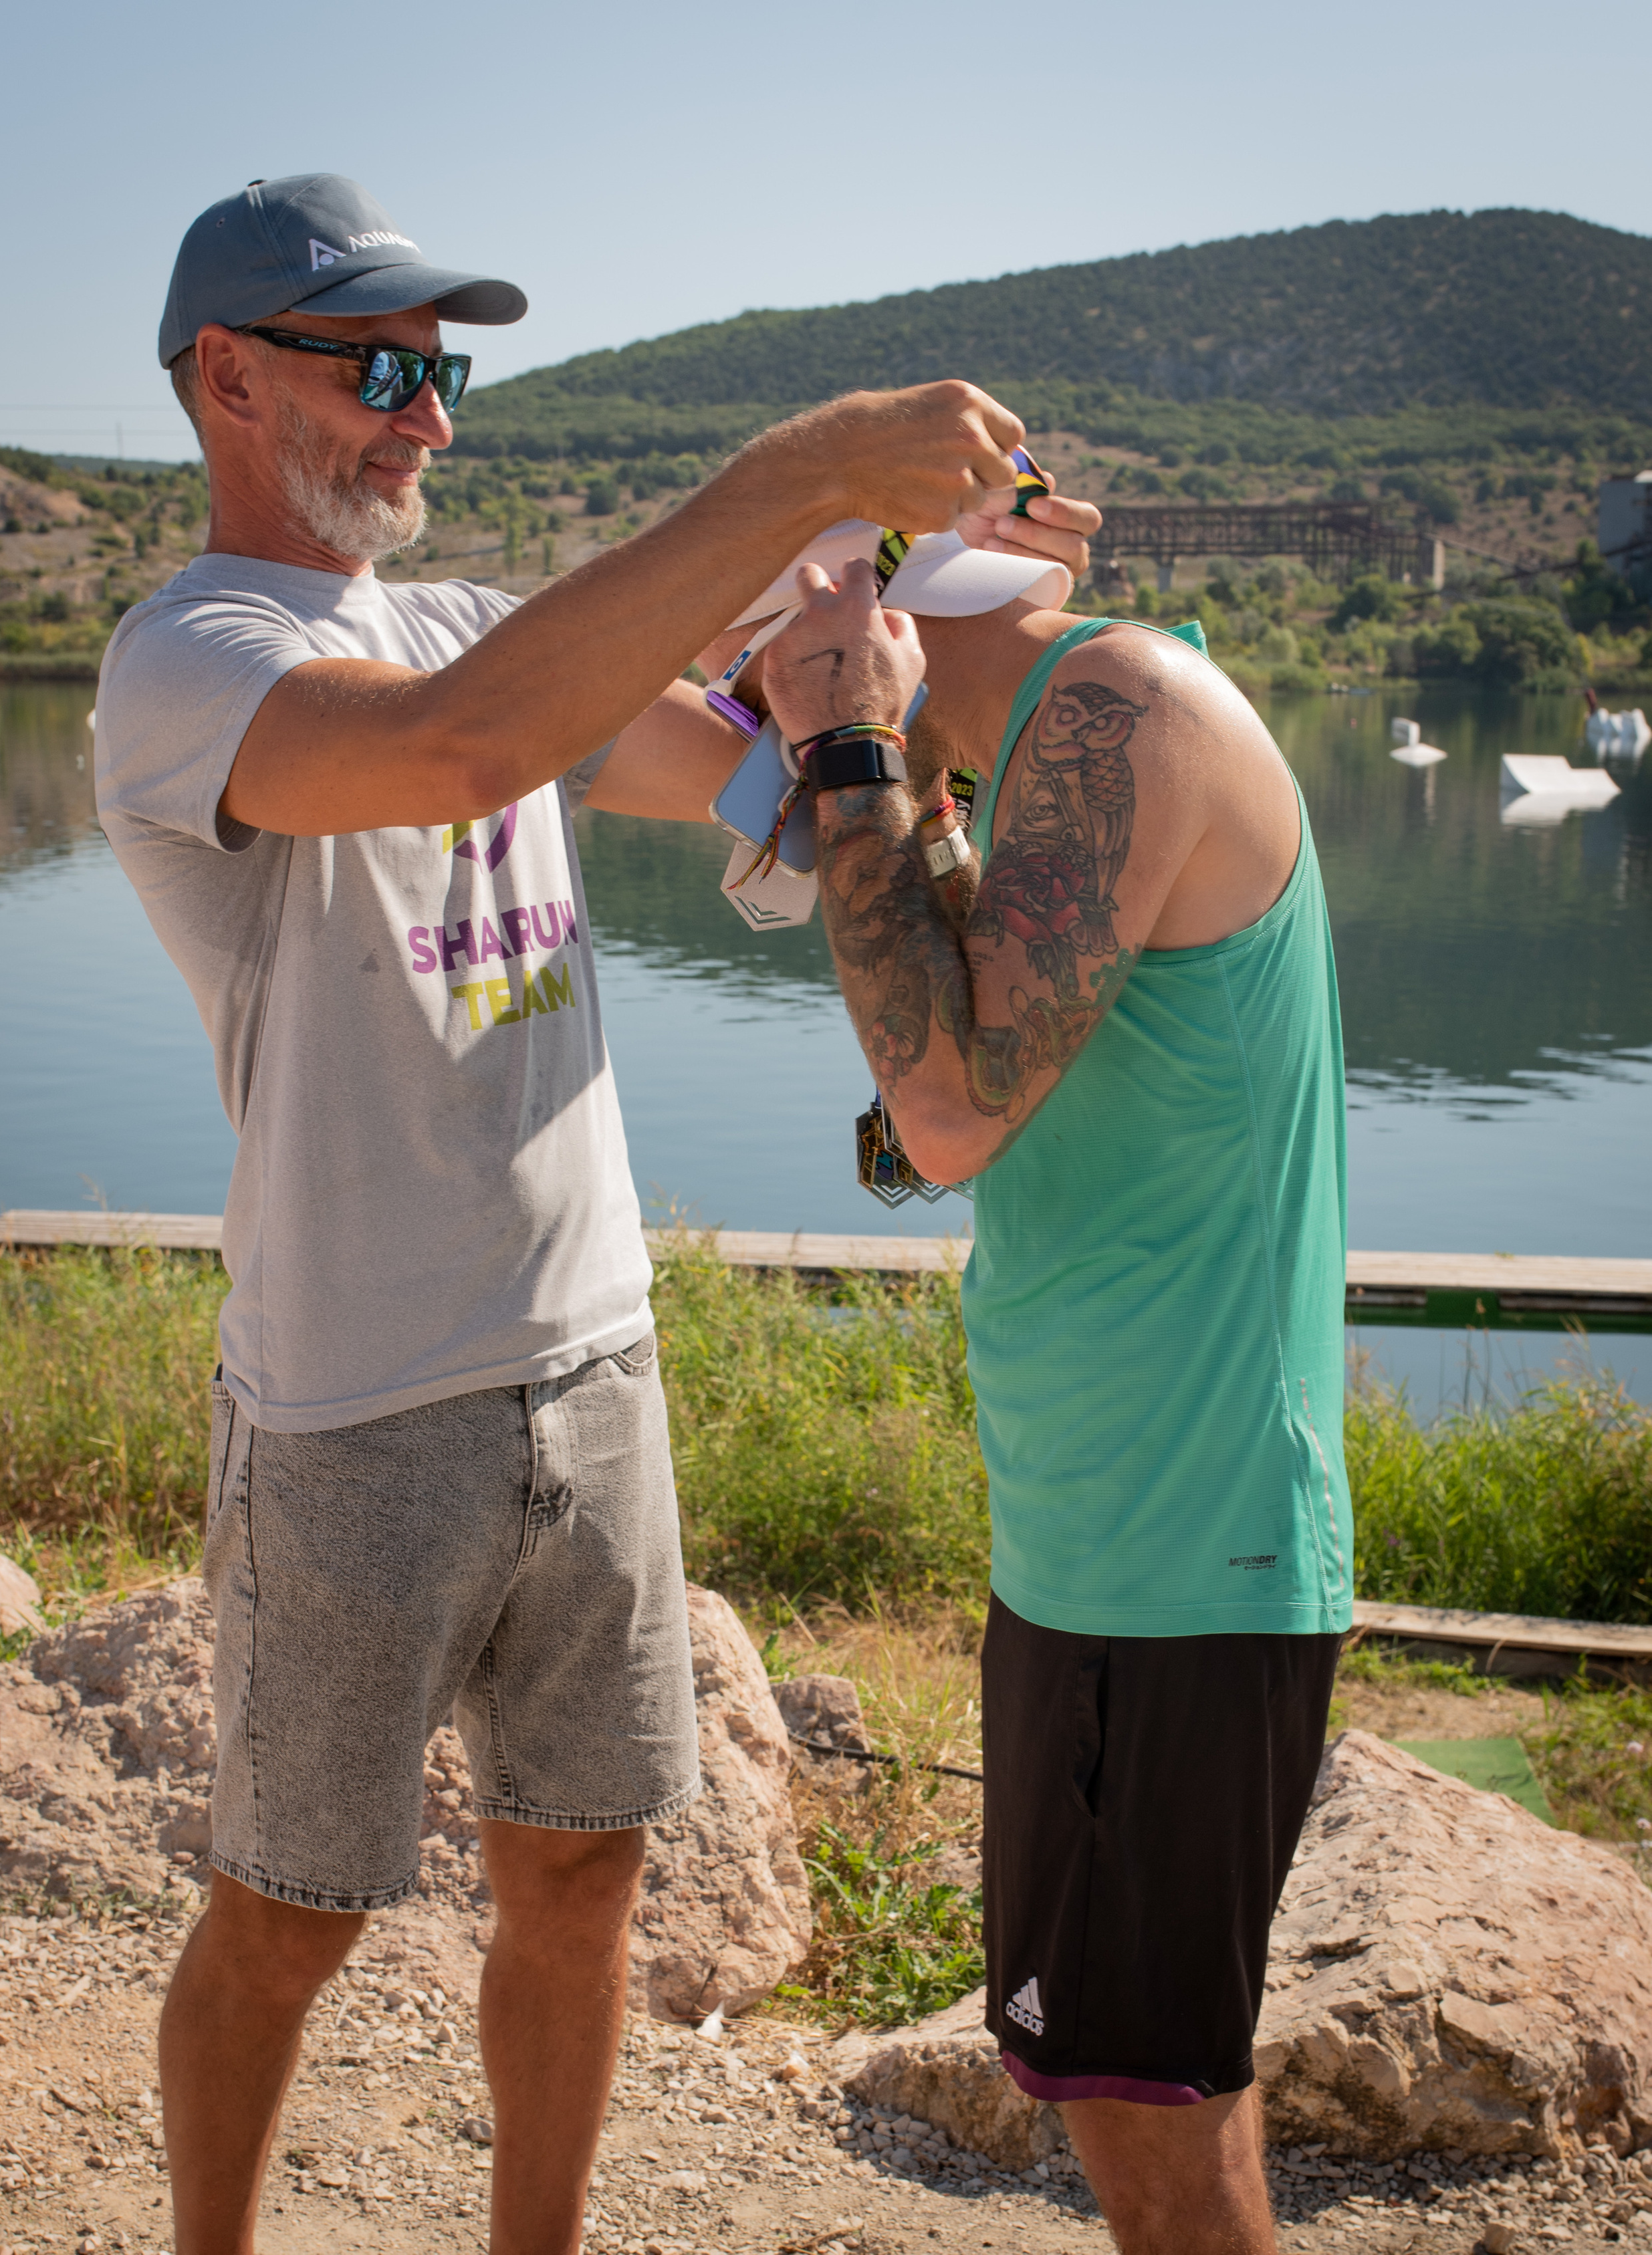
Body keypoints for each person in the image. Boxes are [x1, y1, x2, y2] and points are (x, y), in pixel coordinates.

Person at [93, 171, 1097, 2255]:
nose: (430, 412)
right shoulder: (188, 659)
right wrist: (807, 459)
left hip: (594, 1367)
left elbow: (740, 761)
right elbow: (467, 750)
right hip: (357, 1408)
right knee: (286, 1914)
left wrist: (940, 595)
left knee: (585, 1875)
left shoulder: (471, 628)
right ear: (224, 378)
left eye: (444, 370)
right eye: (381, 366)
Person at [713, 540, 1352, 2255]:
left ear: (860, 602)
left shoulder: (1121, 701)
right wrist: (899, 779)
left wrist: (850, 754)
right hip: (1096, 1542)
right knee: (1114, 2082)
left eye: (760, 662)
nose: (756, 704)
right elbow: (984, 1056)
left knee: (1149, 2104)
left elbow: (941, 1114)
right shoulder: (1042, 744)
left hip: (1185, 1551)